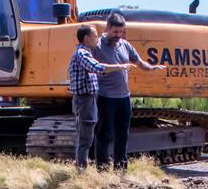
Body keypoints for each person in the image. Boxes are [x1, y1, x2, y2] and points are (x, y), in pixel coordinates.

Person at [91, 12, 165, 170]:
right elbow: (89, 65)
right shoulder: (97, 46)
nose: (119, 35)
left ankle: (121, 168)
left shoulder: (125, 45)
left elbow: (139, 62)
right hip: (105, 97)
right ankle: (102, 168)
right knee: (104, 134)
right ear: (107, 28)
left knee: (122, 134)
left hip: (124, 98)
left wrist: (152, 68)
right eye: (115, 32)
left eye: (121, 31)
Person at [67, 25, 134, 169]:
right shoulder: (82, 54)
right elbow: (98, 67)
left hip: (88, 99)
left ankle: (82, 168)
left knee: (87, 136)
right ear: (87, 38)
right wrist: (120, 66)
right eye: (95, 36)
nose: (98, 39)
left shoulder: (84, 53)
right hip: (85, 99)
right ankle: (81, 171)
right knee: (85, 138)